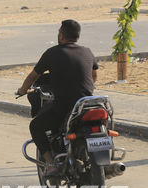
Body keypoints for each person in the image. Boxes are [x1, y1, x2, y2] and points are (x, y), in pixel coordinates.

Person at [16, 19, 98, 176]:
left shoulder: (52, 53)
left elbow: (33, 76)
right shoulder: (87, 52)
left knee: (35, 126)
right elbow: (94, 76)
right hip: (87, 105)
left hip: (64, 106)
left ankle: (51, 163)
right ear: (77, 36)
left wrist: (22, 91)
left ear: (61, 35)